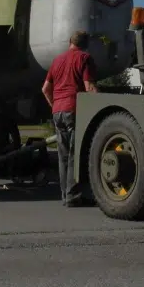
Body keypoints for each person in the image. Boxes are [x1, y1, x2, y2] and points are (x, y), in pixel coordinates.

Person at [42, 29, 99, 207]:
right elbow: (89, 86)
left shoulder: (57, 60)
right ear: (86, 44)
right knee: (76, 154)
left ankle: (65, 195)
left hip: (57, 110)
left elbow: (45, 89)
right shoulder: (84, 58)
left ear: (70, 42)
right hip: (74, 108)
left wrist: (54, 105)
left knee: (63, 155)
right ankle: (74, 196)